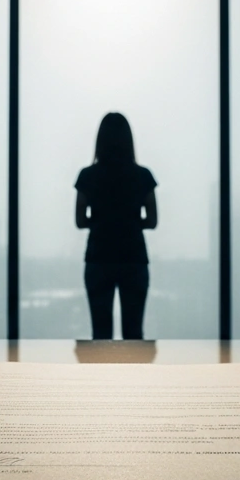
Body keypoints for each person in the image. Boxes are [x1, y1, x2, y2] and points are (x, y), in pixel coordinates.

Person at [75, 112, 157, 340]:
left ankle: (101, 376)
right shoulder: (143, 176)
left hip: (98, 258)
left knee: (100, 334)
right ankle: (134, 376)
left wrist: (102, 221)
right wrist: (129, 221)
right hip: (134, 258)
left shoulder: (87, 176)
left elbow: (80, 221)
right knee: (134, 334)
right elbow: (152, 221)